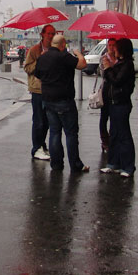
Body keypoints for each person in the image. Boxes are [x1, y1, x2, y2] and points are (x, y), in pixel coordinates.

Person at [34, 34, 89, 173]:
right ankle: (75, 165)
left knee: (54, 132)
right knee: (70, 133)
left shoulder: (43, 57)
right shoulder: (64, 56)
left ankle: (56, 164)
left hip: (48, 101)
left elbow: (37, 76)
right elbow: (82, 65)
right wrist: (78, 53)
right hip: (65, 101)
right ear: (63, 45)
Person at [100, 38, 136, 177]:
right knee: (114, 134)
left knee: (124, 135)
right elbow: (108, 78)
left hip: (121, 103)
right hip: (113, 103)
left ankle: (128, 166)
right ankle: (113, 163)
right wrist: (109, 67)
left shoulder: (127, 64)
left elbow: (117, 81)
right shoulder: (119, 63)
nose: (113, 49)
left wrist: (109, 67)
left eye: (116, 47)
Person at [23, 25, 55, 161]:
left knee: (47, 121)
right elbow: (27, 68)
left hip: (51, 89)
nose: (51, 36)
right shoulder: (35, 50)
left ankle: (42, 145)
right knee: (39, 121)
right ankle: (36, 148)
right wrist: (40, 59)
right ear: (42, 34)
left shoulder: (55, 50)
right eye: (49, 33)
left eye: (53, 33)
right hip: (37, 90)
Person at [98, 38, 118, 152]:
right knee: (104, 116)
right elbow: (103, 73)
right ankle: (105, 141)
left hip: (116, 90)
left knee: (114, 116)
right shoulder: (104, 58)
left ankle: (112, 138)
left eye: (113, 45)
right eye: (109, 45)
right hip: (106, 89)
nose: (111, 47)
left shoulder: (119, 58)